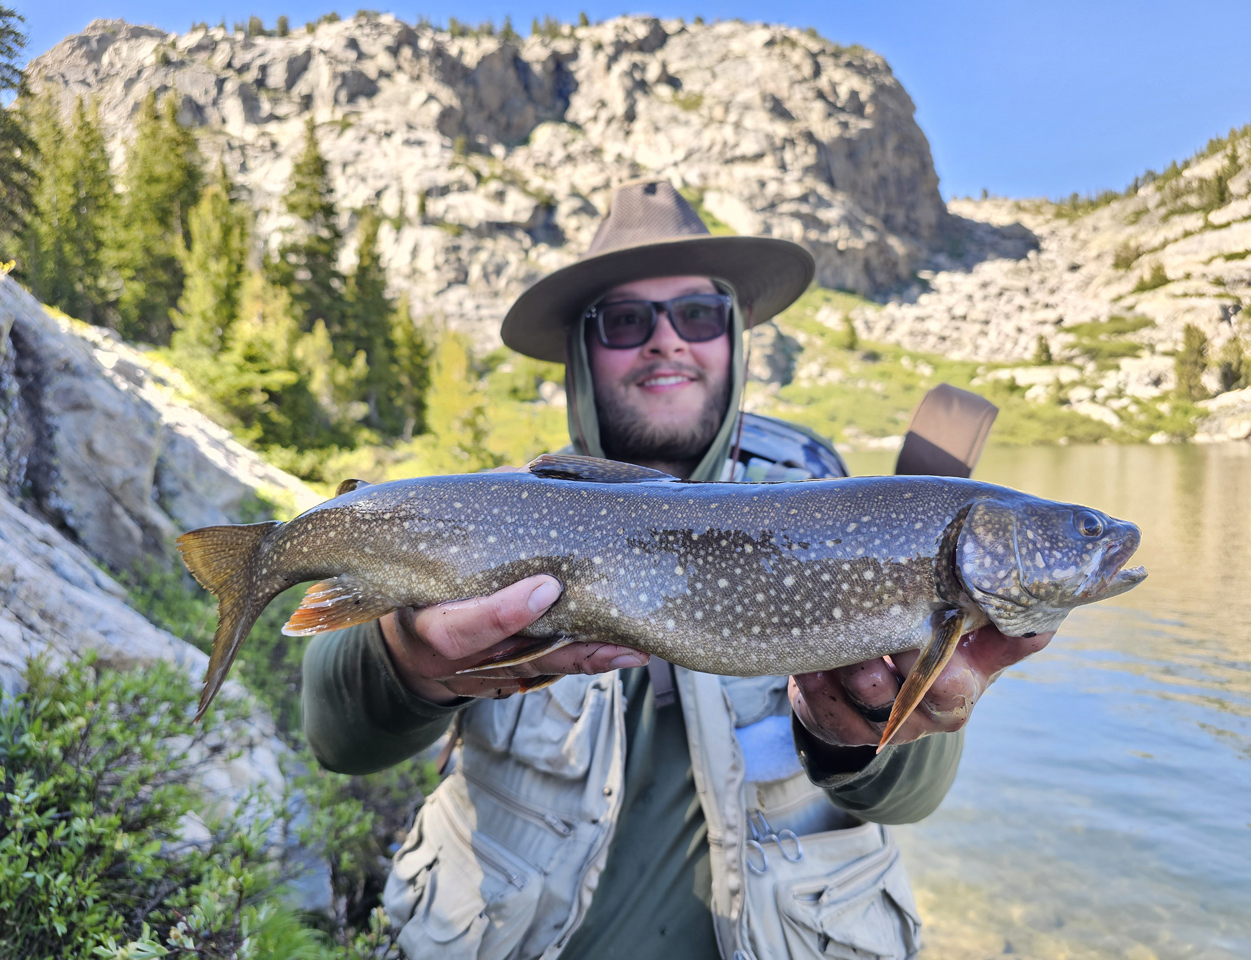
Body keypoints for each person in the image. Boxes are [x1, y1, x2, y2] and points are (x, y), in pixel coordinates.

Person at [301, 180, 1053, 959]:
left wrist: (865, 729)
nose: (666, 340)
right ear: (578, 354)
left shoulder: (842, 522)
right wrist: (407, 659)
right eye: (626, 320)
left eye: (698, 314)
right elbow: (335, 737)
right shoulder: (496, 513)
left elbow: (913, 799)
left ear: (735, 338)